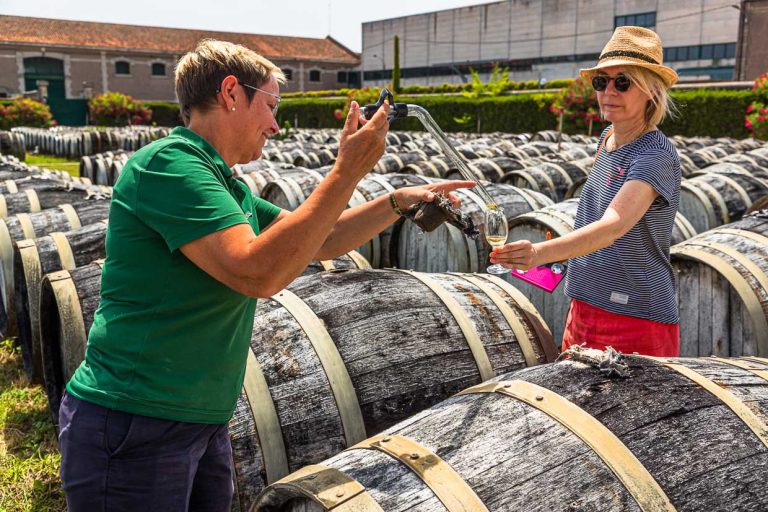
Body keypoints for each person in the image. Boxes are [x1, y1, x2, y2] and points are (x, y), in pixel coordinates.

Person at [57, 39, 475, 511]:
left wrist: (397, 201)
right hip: (136, 418)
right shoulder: (170, 166)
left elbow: (322, 237)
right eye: (271, 105)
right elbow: (256, 272)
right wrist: (346, 171)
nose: (276, 125)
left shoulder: (224, 181)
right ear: (231, 92)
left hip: (199, 419)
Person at [491, 26, 681, 357]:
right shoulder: (607, 137)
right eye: (601, 81)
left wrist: (538, 254)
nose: (609, 91)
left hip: (634, 316)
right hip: (582, 303)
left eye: (623, 82)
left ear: (651, 91)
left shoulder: (655, 154)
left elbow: (614, 225)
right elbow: (592, 214)